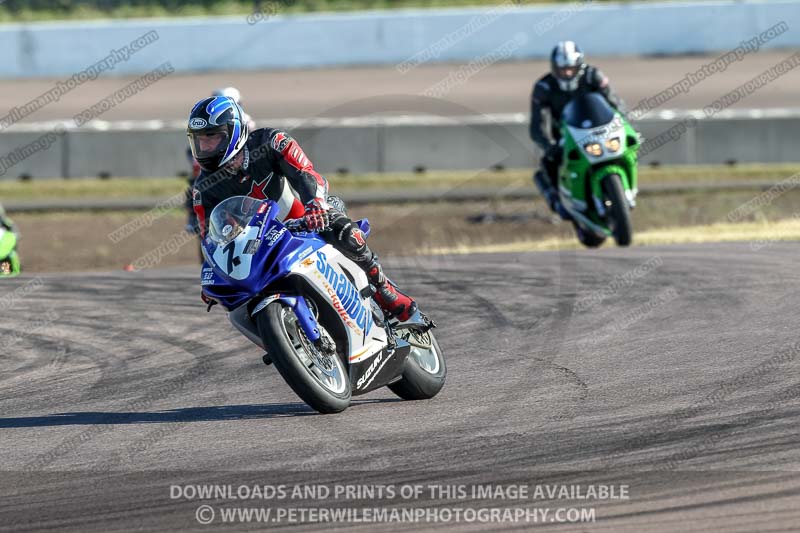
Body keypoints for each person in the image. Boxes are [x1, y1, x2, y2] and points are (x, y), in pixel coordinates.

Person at [188, 95, 417, 321]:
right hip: (260, 246)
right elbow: (210, 238)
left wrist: (315, 205)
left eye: (212, 138)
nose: (205, 146)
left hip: (306, 219)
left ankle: (384, 289)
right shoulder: (203, 189)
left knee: (347, 234)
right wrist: (215, 274)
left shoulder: (271, 141)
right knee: (238, 302)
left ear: (233, 132)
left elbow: (306, 173)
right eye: (200, 140)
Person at [530, 41, 622, 219]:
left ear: (579, 66)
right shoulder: (543, 87)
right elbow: (536, 125)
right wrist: (549, 145)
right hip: (566, 136)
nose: (566, 73)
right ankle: (557, 200)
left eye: (571, 69)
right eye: (561, 69)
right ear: (553, 67)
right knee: (548, 162)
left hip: (601, 130)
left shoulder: (593, 76)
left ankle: (621, 191)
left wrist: (624, 122)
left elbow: (615, 104)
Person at [185, 87, 255, 235]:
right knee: (196, 181)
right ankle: (193, 214)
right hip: (215, 162)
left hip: (238, 163)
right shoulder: (207, 122)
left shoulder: (243, 120)